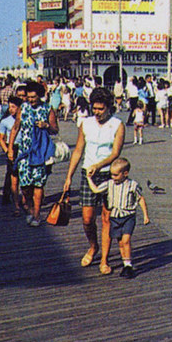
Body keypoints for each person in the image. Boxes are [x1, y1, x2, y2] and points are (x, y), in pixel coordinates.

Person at [62, 86, 125, 273]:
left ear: (108, 107)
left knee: (107, 218)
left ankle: (104, 259)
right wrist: (68, 176)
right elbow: (78, 150)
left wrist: (99, 165)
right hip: (87, 173)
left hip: (109, 174)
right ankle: (93, 246)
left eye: (100, 109)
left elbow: (116, 153)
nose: (97, 112)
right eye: (94, 108)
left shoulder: (117, 125)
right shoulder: (86, 124)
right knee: (87, 219)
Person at [86, 157, 149, 277]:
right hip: (115, 217)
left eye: (115, 175)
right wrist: (89, 178)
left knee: (126, 240)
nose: (113, 177)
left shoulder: (132, 185)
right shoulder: (110, 184)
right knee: (121, 242)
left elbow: (140, 199)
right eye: (111, 175)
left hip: (128, 216)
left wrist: (145, 215)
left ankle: (129, 265)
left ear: (125, 173)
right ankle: (126, 264)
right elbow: (96, 190)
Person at [9, 81, 59, 226]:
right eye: (29, 97)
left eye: (33, 97)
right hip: (24, 151)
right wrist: (11, 147)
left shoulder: (47, 108)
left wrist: (47, 126)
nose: (30, 100)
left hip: (40, 152)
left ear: (40, 96)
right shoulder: (23, 108)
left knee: (38, 183)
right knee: (25, 185)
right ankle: (30, 208)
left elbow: (55, 129)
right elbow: (15, 127)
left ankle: (36, 214)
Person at [0, 96, 25, 214]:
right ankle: (16, 204)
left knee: (25, 176)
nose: (11, 109)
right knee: (14, 177)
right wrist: (7, 150)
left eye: (13, 107)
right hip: (12, 147)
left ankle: (25, 201)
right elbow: (1, 138)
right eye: (9, 107)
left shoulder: (25, 119)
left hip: (24, 147)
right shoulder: (5, 121)